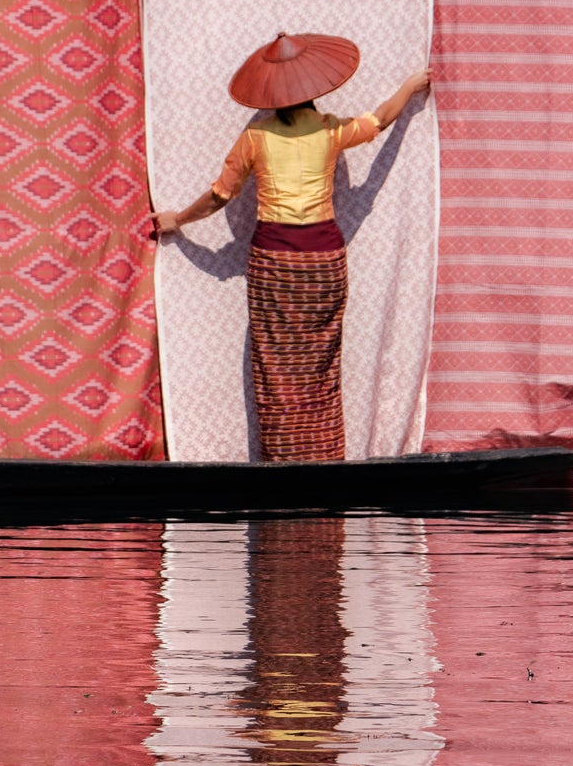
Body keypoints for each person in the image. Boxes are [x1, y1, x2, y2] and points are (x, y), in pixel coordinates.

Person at [151, 31, 430, 463]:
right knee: (320, 364)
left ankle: (284, 460)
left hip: (274, 262)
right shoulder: (331, 130)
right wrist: (410, 86)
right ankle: (324, 459)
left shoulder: (255, 139)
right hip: (324, 262)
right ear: (313, 87)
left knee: (276, 365)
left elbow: (219, 196)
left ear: (272, 94)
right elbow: (379, 120)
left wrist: (177, 220)